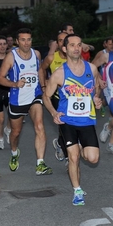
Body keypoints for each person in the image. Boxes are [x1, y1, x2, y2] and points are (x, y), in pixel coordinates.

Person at [43, 34, 102, 206]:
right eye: (72, 45)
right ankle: (77, 191)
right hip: (67, 121)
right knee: (74, 157)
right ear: (65, 49)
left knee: (92, 158)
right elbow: (46, 97)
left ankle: (79, 147)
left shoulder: (91, 69)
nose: (76, 48)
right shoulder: (59, 74)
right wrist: (54, 113)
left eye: (79, 45)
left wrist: (97, 99)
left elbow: (96, 88)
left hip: (87, 120)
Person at [0, 28, 52, 175]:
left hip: (35, 95)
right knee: (15, 132)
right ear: (17, 41)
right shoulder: (11, 56)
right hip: (18, 98)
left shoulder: (36, 54)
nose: (26, 43)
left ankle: (40, 164)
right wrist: (15, 84)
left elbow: (40, 70)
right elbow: (0, 78)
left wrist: (44, 86)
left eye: (28, 39)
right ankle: (14, 153)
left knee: (39, 126)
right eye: (23, 40)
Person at [40, 32, 69, 163]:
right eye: (60, 41)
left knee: (70, 124)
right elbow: (41, 70)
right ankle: (69, 155)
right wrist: (43, 86)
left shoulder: (75, 58)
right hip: (57, 97)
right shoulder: (51, 58)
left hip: (73, 97)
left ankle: (60, 143)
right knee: (64, 123)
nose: (62, 43)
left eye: (65, 40)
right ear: (57, 44)